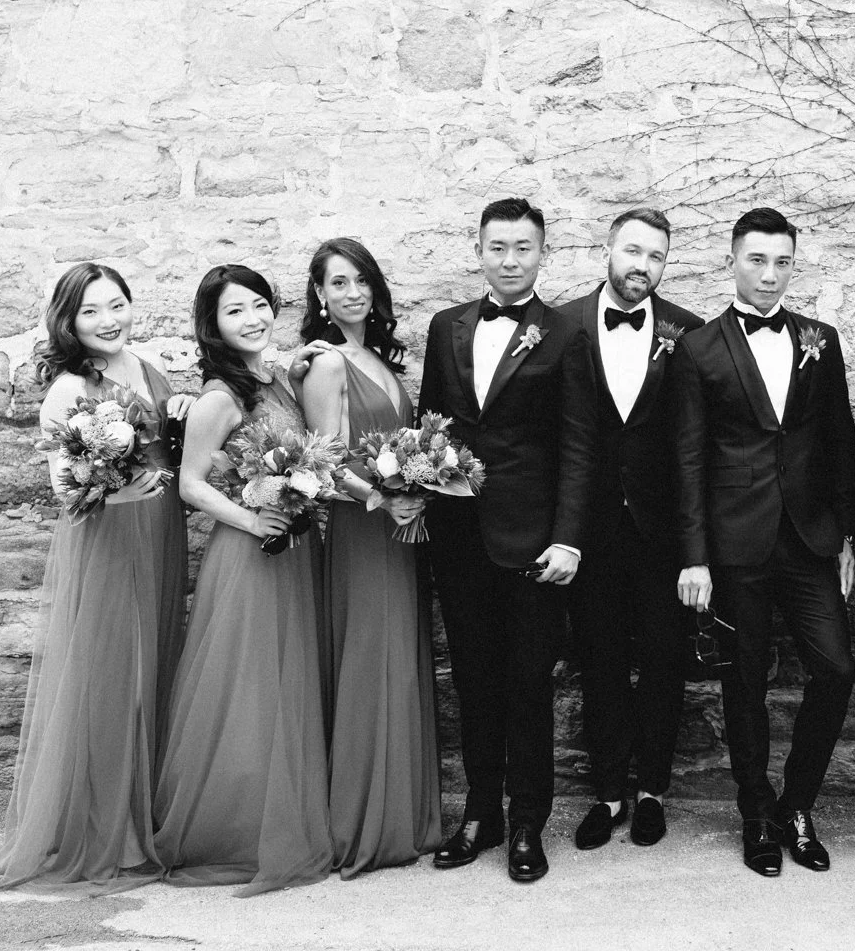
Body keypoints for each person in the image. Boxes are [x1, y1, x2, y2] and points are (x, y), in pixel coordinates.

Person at [0, 263, 189, 894]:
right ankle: (99, 830)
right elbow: (67, 489)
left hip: (162, 532)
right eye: (91, 311)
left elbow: (171, 449)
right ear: (68, 320)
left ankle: (143, 819)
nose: (109, 320)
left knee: (154, 669)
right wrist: (126, 493)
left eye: (117, 304)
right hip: (111, 541)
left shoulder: (146, 370)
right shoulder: (67, 388)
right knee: (110, 676)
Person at [419, 197, 600, 883]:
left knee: (529, 684)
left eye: (524, 248)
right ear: (480, 250)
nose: (511, 260)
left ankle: (528, 822)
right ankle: (480, 815)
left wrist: (569, 541)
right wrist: (419, 493)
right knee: (473, 682)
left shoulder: (564, 333)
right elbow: (429, 425)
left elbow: (581, 446)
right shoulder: (446, 327)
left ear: (542, 253)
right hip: (460, 540)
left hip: (533, 546)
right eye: (499, 247)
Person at [673, 207, 855, 876]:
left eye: (782, 261)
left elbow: (841, 439)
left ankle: (796, 804)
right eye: (757, 259)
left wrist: (846, 536)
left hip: (810, 539)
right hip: (735, 543)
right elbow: (688, 459)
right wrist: (694, 555)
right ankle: (755, 811)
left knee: (836, 670)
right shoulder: (698, 349)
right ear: (732, 260)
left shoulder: (820, 338)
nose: (770, 275)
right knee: (743, 684)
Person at [153, 264, 333, 897]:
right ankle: (233, 831)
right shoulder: (218, 398)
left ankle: (278, 818)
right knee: (249, 687)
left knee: (284, 684)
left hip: (289, 551)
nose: (253, 318)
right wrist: (255, 521)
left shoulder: (274, 377)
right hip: (250, 553)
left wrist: (302, 362)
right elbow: (191, 483)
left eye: (260, 305)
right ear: (213, 326)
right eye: (236, 311)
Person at [556, 208, 704, 851]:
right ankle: (610, 791)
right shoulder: (559, 327)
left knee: (666, 665)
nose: (643, 266)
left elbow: (696, 444)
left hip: (662, 533)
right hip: (586, 530)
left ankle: (652, 793)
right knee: (600, 661)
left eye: (657, 257)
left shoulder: (688, 333)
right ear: (608, 251)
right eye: (633, 252)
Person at [298, 238, 440, 878]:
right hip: (363, 532)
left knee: (395, 656)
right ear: (320, 297)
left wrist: (416, 486)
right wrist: (382, 502)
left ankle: (399, 815)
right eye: (337, 283)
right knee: (367, 656)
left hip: (398, 529)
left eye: (360, 280)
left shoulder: (379, 358)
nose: (351, 293)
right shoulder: (329, 366)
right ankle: (361, 823)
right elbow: (322, 458)